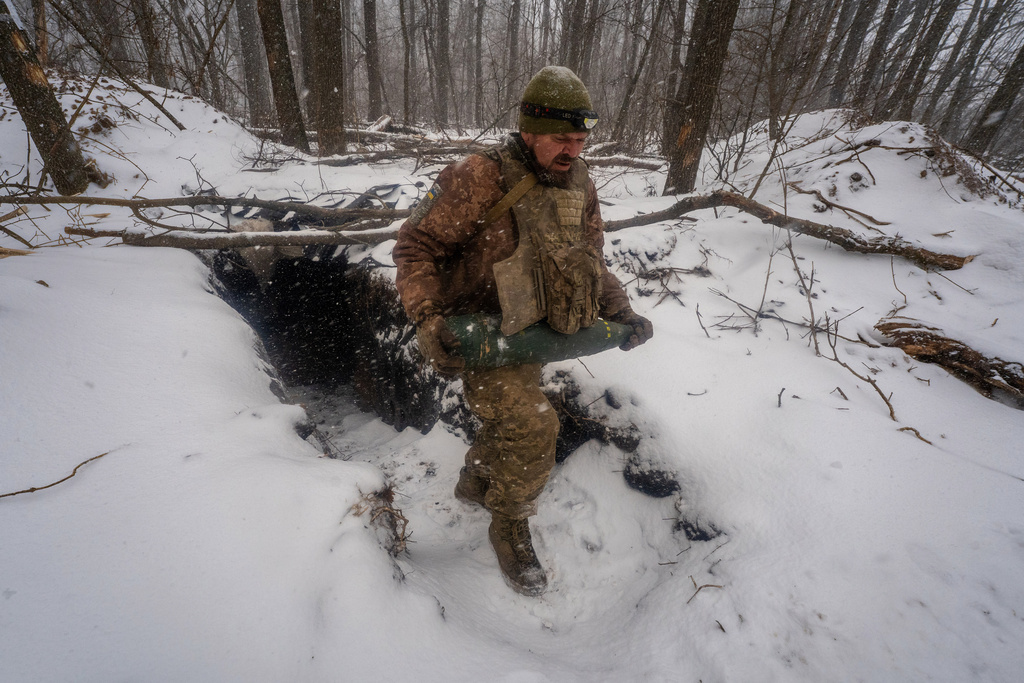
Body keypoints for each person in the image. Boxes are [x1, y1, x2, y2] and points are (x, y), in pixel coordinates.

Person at [392, 66, 653, 596]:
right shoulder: (476, 176)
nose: (573, 151)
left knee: (514, 418)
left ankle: (476, 481)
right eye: (561, 138)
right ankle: (508, 521)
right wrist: (427, 317)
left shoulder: (579, 182)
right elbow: (415, 247)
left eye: (580, 140)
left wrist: (621, 311)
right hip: (479, 332)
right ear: (529, 130)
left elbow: (590, 258)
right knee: (534, 426)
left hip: (534, 326)